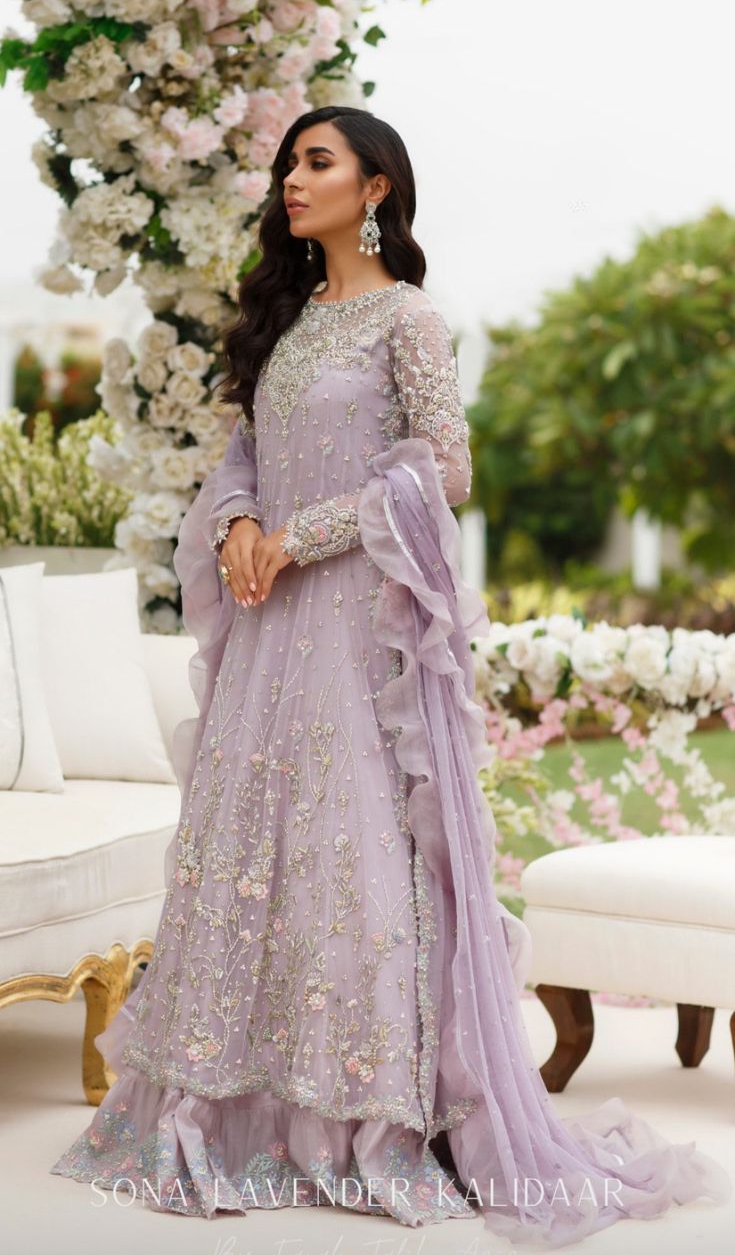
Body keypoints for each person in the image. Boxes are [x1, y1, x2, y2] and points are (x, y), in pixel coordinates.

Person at [50, 106, 732, 1247]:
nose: (291, 178)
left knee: (354, 845)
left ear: (375, 187)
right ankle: (234, 1107)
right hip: (270, 630)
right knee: (252, 847)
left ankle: (362, 1116)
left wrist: (299, 535)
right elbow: (240, 458)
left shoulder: (408, 316)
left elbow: (445, 467)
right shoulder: (284, 318)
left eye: (315, 160)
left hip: (357, 627)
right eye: (288, 161)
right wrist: (233, 525)